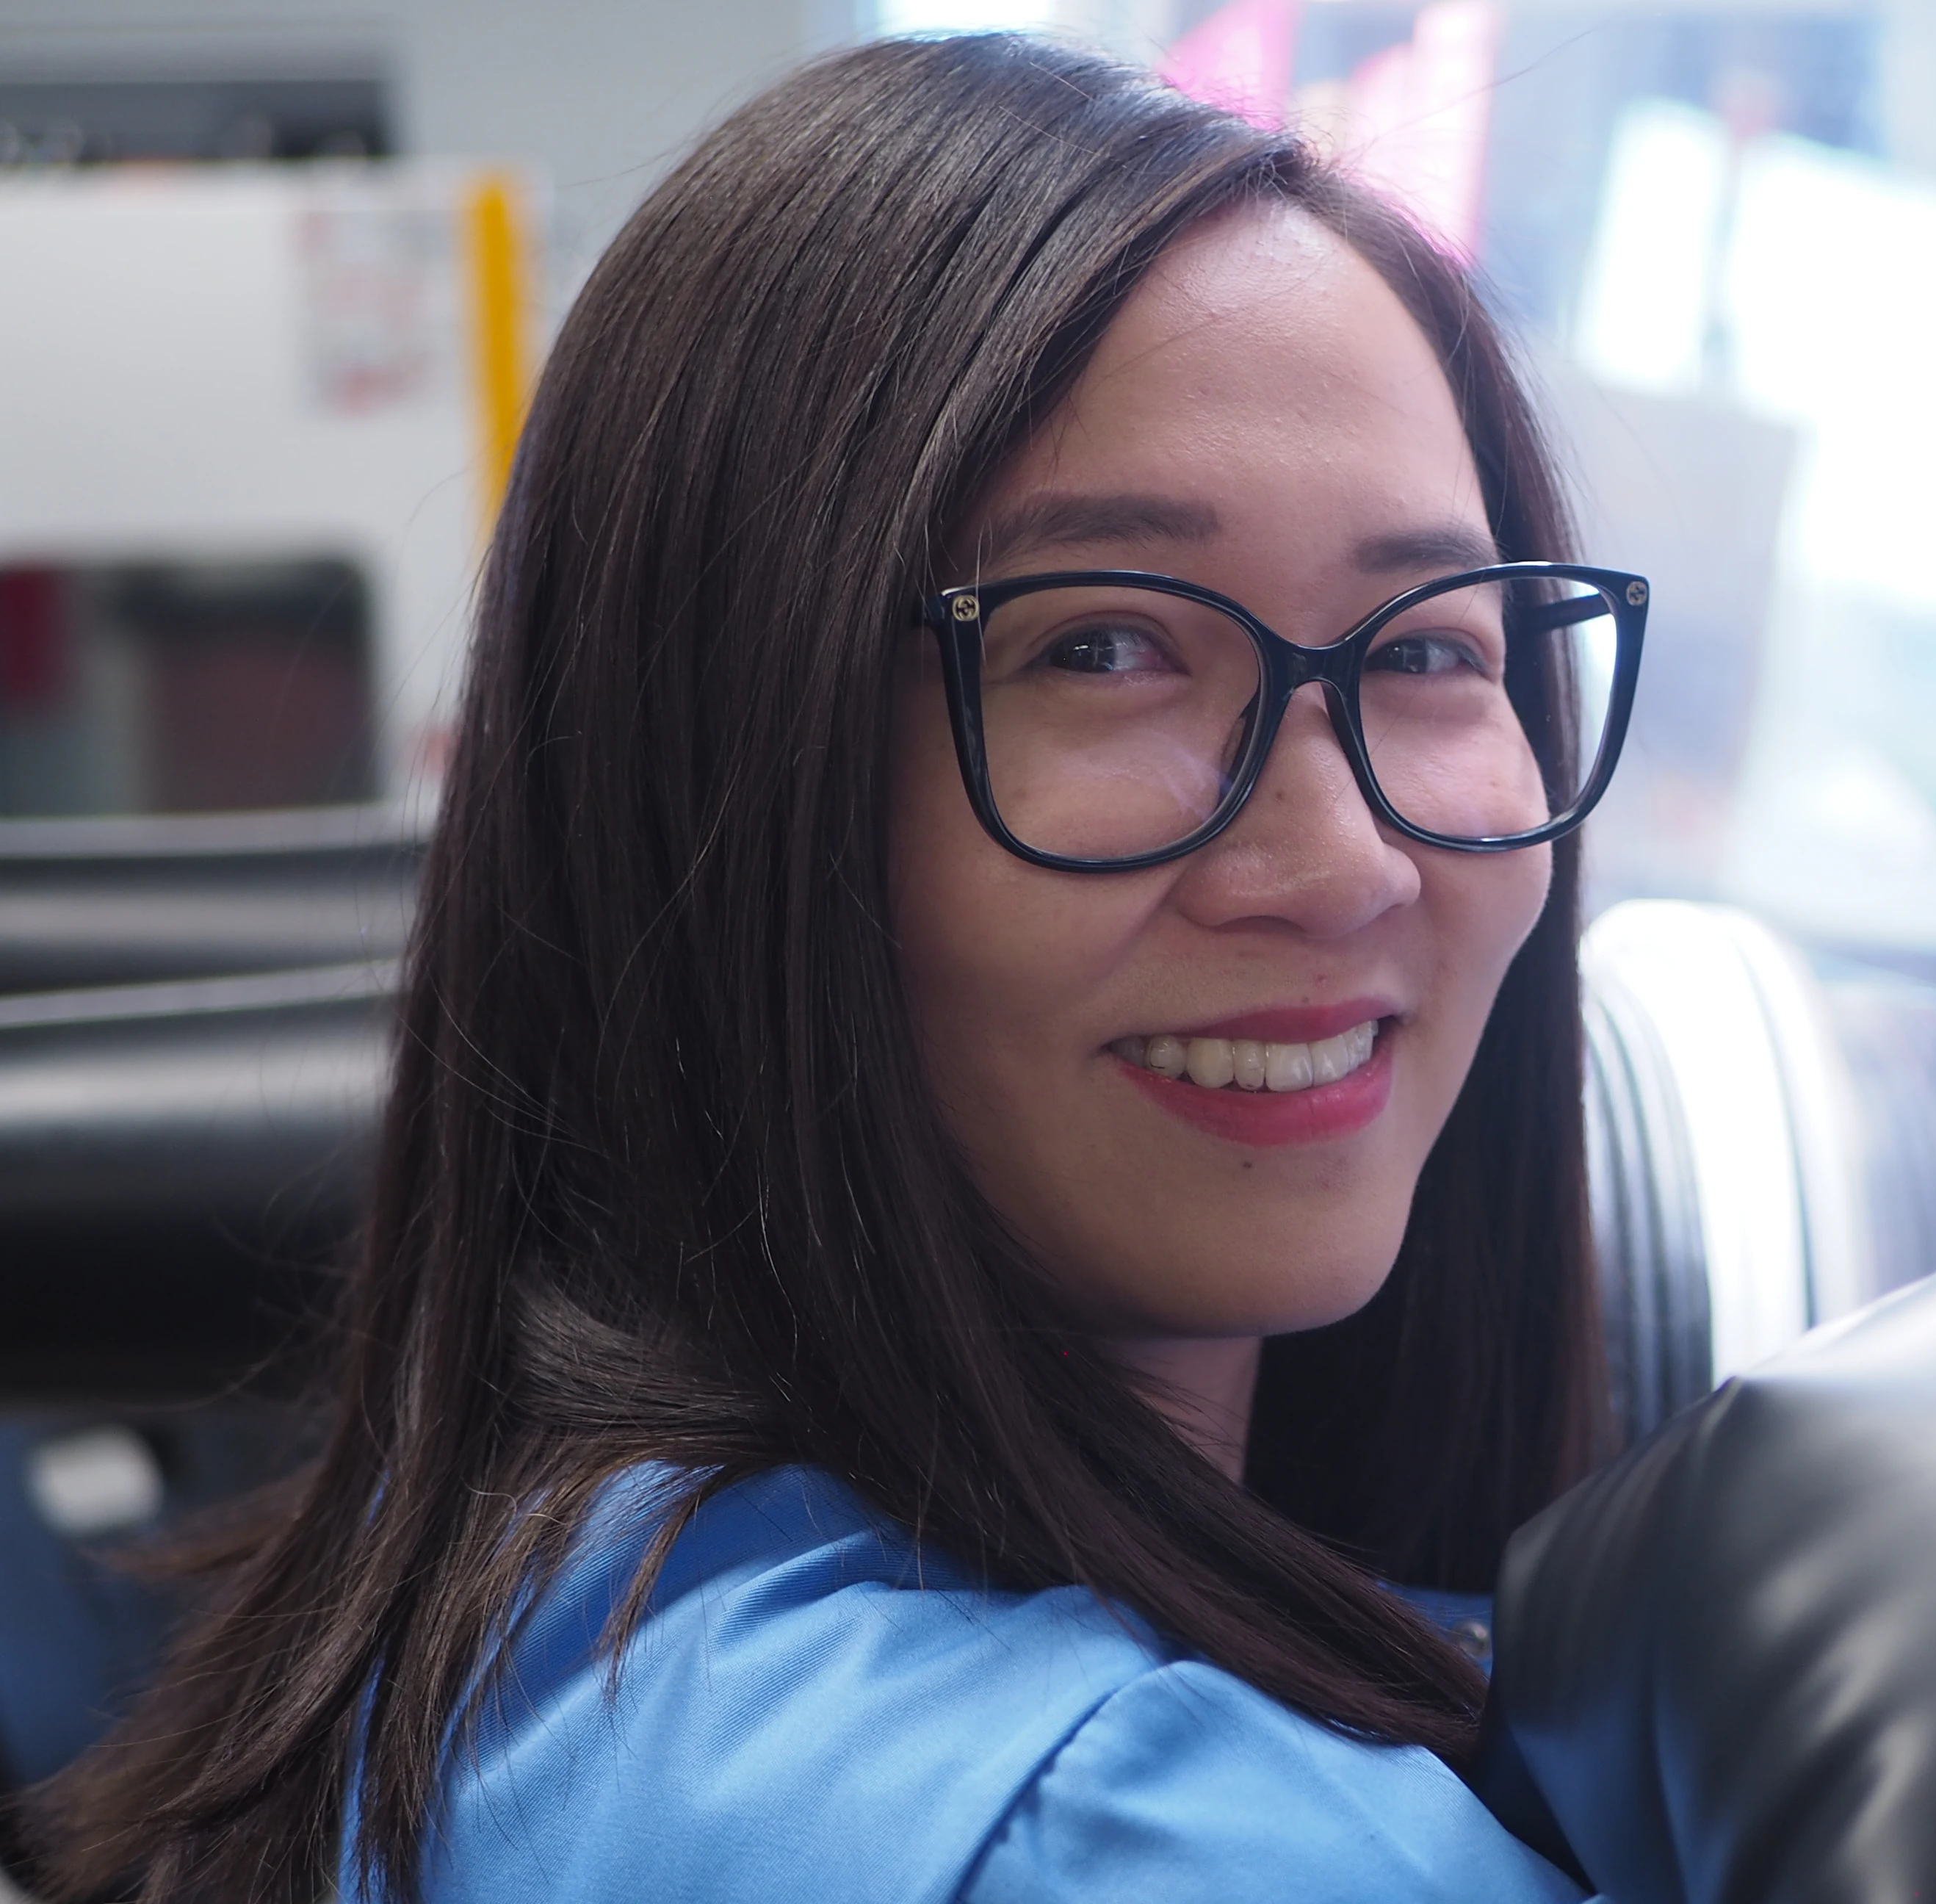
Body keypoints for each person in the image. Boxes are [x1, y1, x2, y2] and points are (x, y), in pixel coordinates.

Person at [34, 33, 1641, 1904]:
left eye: (1432, 648)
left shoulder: (584, 1601)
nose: (1341, 860)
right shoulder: (1096, 1839)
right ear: (723, 771)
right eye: (1106, 648)